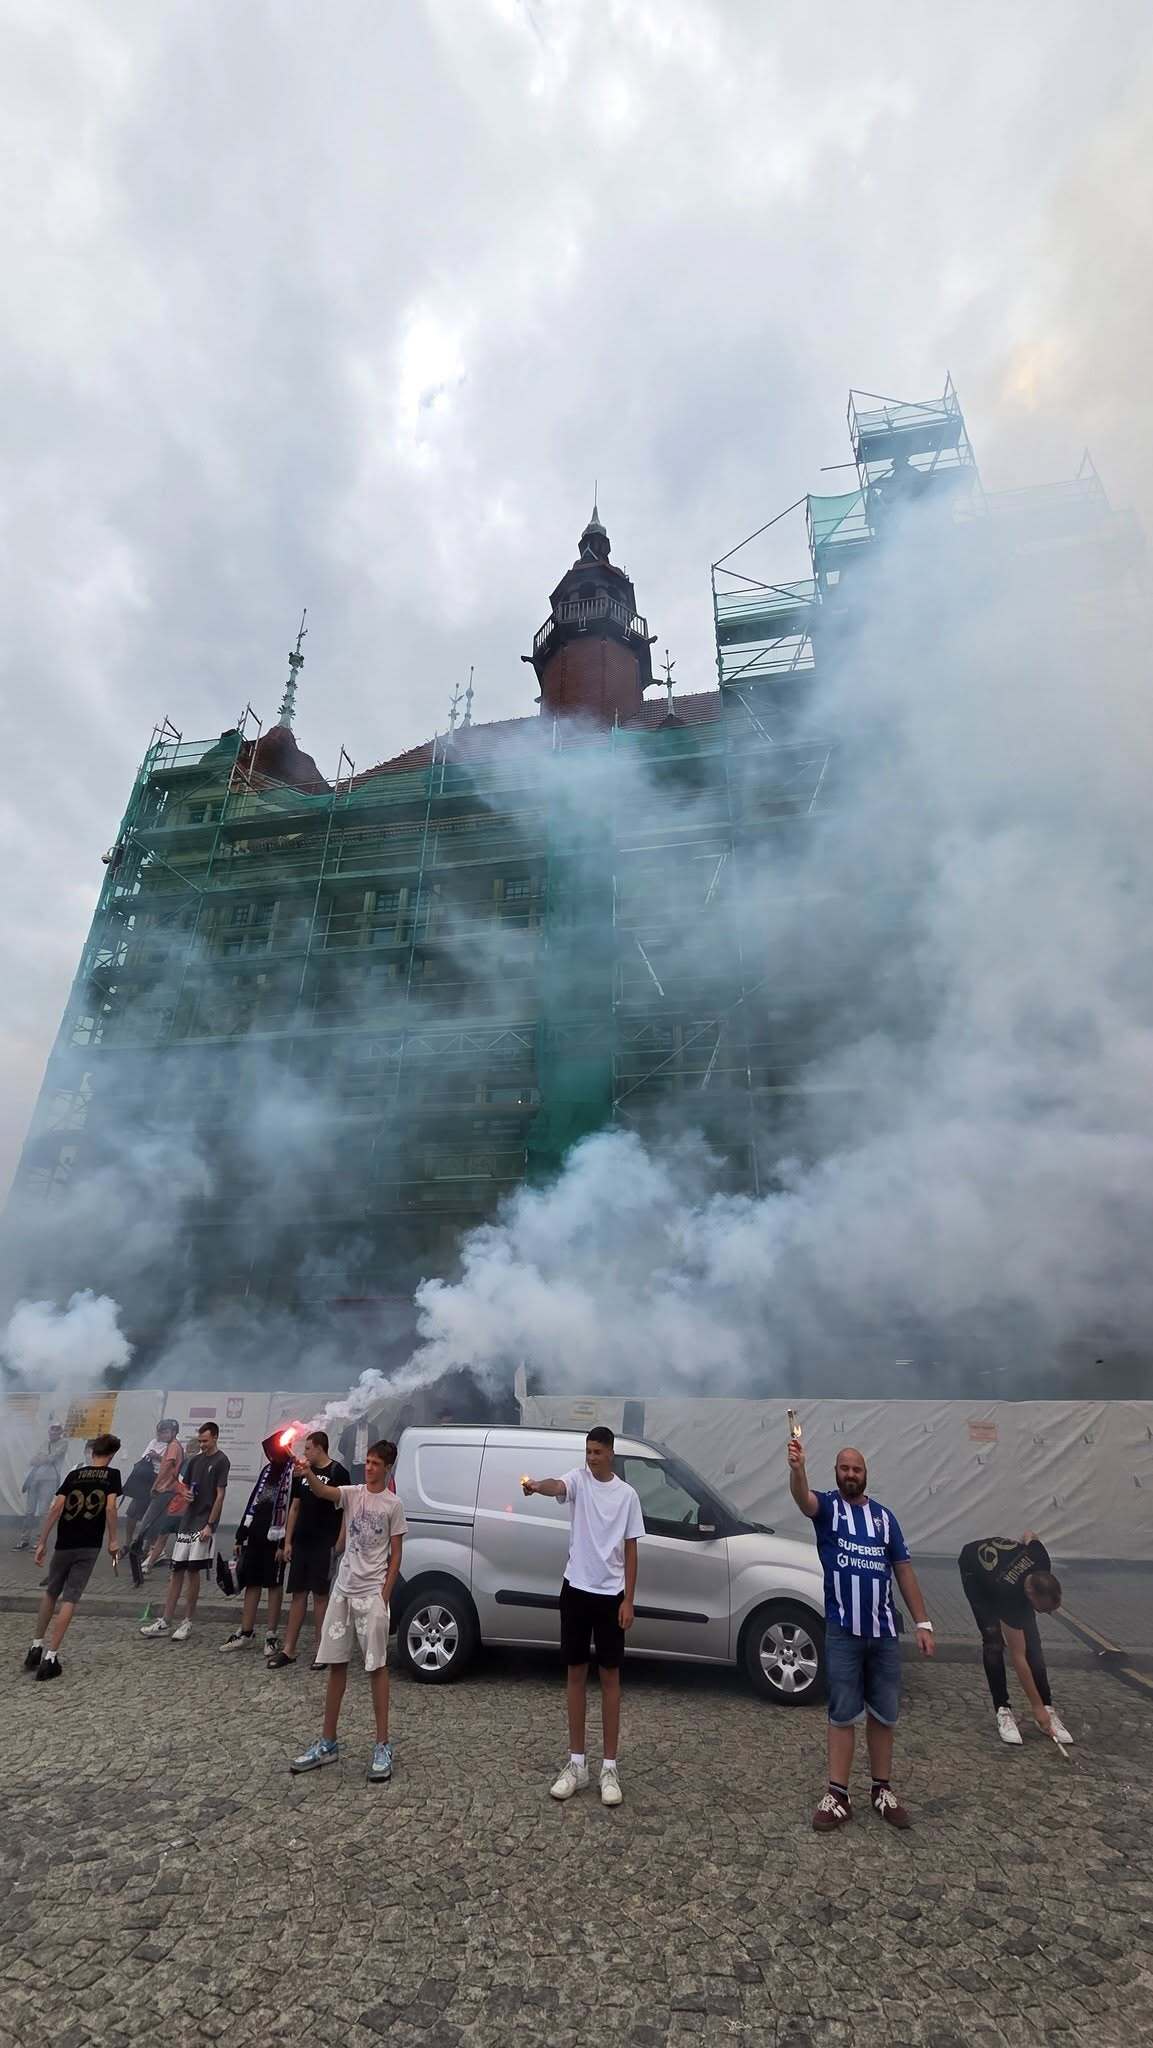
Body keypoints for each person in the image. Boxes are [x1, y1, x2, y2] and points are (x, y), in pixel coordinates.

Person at [789, 1437, 934, 1831]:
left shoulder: (886, 1519)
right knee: (842, 1714)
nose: (850, 1474)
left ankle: (882, 1789)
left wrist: (923, 1622)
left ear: (866, 1474)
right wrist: (798, 1468)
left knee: (884, 1714)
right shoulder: (828, 1509)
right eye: (844, 1468)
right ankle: (837, 1794)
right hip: (843, 1631)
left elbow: (903, 1569)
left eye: (856, 1469)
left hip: (884, 1633)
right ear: (836, 1474)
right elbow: (803, 1500)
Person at [522, 1424, 644, 1809]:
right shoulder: (578, 1480)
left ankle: (609, 1766)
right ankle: (577, 1763)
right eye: (587, 1451)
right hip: (575, 1589)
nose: (590, 1458)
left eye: (596, 1452)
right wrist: (535, 1485)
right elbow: (556, 1486)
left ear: (610, 1453)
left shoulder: (627, 1496)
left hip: (611, 1596)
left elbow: (632, 1550)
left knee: (610, 1677)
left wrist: (629, 1600)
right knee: (575, 1673)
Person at [289, 1440, 406, 1783]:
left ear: (387, 1468)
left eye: (374, 1463)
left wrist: (384, 1597)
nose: (368, 1467)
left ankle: (382, 1744)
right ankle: (328, 1742)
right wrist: (309, 1474)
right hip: (343, 1591)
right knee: (336, 1666)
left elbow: (396, 1555)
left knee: (377, 1668)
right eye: (367, 1461)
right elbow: (326, 1493)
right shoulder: (353, 1493)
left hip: (371, 1595)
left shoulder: (393, 1505)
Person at [958, 1534, 1072, 1747]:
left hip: (1005, 1574)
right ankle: (1003, 1709)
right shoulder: (1009, 1595)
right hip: (976, 1574)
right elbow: (1018, 1656)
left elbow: (1029, 1534)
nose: (1043, 1614)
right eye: (1042, 1609)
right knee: (993, 1641)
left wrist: (1017, 1549)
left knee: (1034, 1645)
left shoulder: (1040, 1558)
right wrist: (1035, 1706)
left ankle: (1049, 1708)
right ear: (1030, 1593)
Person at [24, 1433, 122, 1681]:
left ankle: (36, 1646)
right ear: (111, 1455)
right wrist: (113, 1540)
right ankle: (51, 1657)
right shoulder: (112, 1476)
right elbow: (110, 1507)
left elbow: (55, 1507)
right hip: (88, 1545)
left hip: (64, 1543)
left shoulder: (74, 1474)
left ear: (93, 1452)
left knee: (51, 1592)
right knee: (70, 1597)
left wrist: (42, 1541)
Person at [139, 1422, 230, 1642]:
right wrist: (187, 1494)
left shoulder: (221, 1461)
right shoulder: (195, 1460)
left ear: (215, 1438)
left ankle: (187, 1621)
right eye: (200, 1441)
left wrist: (210, 1524)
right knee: (176, 1570)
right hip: (187, 1521)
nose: (202, 1445)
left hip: (203, 1523)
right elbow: (184, 1486)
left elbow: (220, 1495)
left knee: (192, 1571)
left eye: (205, 1441)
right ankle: (165, 1620)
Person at [268, 1430, 350, 1670]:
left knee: (321, 1597)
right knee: (297, 1595)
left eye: (308, 1448)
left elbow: (346, 1509)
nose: (304, 1452)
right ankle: (288, 1649)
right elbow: (294, 1507)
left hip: (324, 1542)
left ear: (320, 1448)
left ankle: (321, 1650)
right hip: (302, 1542)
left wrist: (340, 1542)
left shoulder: (337, 1472)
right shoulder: (301, 1473)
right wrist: (288, 1541)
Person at [220, 1434, 294, 1657]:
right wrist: (240, 1536)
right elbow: (253, 1500)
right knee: (252, 1583)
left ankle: (271, 1635)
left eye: (273, 1452)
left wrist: (284, 1543)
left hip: (276, 1537)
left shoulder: (293, 1473)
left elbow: (291, 1508)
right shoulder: (266, 1471)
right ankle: (246, 1632)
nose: (271, 1456)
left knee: (273, 1585)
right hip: (255, 1534)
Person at [125, 1420, 183, 1575]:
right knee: (156, 1523)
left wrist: (155, 1485)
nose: (162, 1434)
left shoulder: (173, 1446)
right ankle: (151, 1554)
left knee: (148, 1522)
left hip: (164, 1488)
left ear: (173, 1432)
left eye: (165, 1432)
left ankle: (143, 1552)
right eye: (160, 1431)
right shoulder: (171, 1445)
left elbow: (165, 1469)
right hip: (164, 1488)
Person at [18, 1425, 66, 1548]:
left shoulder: (63, 1443)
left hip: (49, 1480)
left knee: (43, 1512)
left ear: (60, 1432)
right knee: (29, 1511)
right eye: (51, 1430)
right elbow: (33, 1459)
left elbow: (51, 1459)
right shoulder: (45, 1443)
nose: (53, 1433)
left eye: (56, 1431)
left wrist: (41, 1459)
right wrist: (40, 1459)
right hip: (35, 1479)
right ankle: (24, 1539)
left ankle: (39, 1541)